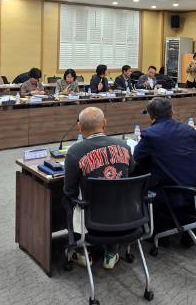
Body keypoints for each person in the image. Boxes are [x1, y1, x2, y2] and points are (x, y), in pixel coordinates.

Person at [64, 107, 134, 270]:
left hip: (91, 216)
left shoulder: (74, 152)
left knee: (66, 200)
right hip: (123, 213)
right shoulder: (124, 146)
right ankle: (111, 252)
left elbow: (69, 191)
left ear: (80, 127)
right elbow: (131, 171)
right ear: (105, 124)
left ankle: (81, 251)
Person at [133, 97, 196, 188]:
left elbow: (136, 157)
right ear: (172, 112)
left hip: (172, 190)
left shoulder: (150, 134)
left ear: (150, 115)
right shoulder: (190, 130)